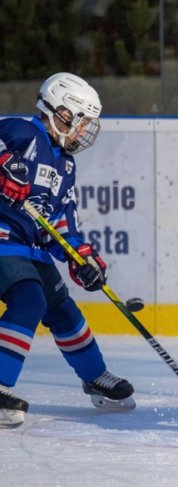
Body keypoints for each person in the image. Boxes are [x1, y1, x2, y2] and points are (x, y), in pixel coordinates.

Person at [0, 72, 135, 428]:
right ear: (61, 113)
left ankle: (95, 376)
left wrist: (82, 259)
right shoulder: (21, 133)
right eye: (80, 123)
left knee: (61, 307)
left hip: (30, 248)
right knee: (30, 299)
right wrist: (4, 167)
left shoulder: (65, 164)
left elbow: (62, 222)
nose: (82, 132)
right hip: (2, 238)